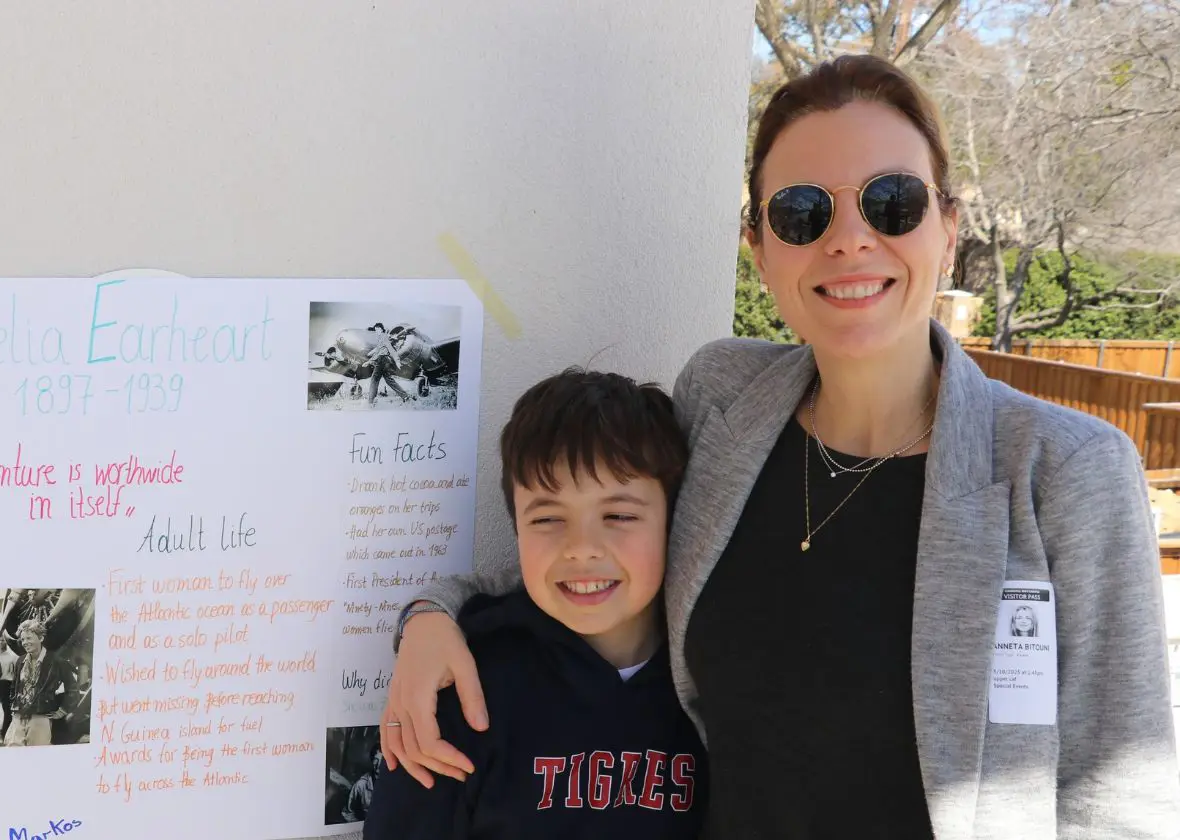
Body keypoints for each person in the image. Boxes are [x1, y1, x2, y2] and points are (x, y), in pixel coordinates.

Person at [381, 54, 1180, 839]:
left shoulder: (1062, 471)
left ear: (948, 224)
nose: (850, 240)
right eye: (804, 213)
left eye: (891, 202)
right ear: (760, 246)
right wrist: (430, 617)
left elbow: (1119, 798)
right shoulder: (722, 400)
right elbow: (582, 537)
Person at [365, 368, 706, 839]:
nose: (582, 547)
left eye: (619, 514)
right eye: (548, 518)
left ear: (673, 519)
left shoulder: (716, 679)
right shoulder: (463, 690)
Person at [3, 619, 80, 747]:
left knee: (38, 753)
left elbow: (73, 687)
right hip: (18, 715)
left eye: (29, 638)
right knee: (13, 749)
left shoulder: (57, 661)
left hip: (40, 717)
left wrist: (63, 710)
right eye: (23, 639)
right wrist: (13, 705)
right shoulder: (20, 661)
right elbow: (14, 687)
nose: (25, 643)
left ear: (41, 638)